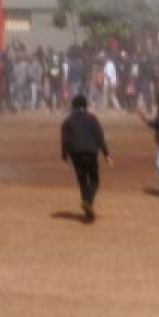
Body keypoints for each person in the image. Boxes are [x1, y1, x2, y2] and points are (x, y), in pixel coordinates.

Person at [61, 94, 112, 222]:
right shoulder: (92, 119)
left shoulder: (67, 121)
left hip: (76, 154)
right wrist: (107, 155)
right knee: (94, 180)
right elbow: (100, 137)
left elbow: (64, 141)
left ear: (73, 107)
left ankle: (86, 205)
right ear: (85, 106)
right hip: (90, 152)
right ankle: (88, 202)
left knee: (82, 180)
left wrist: (64, 156)